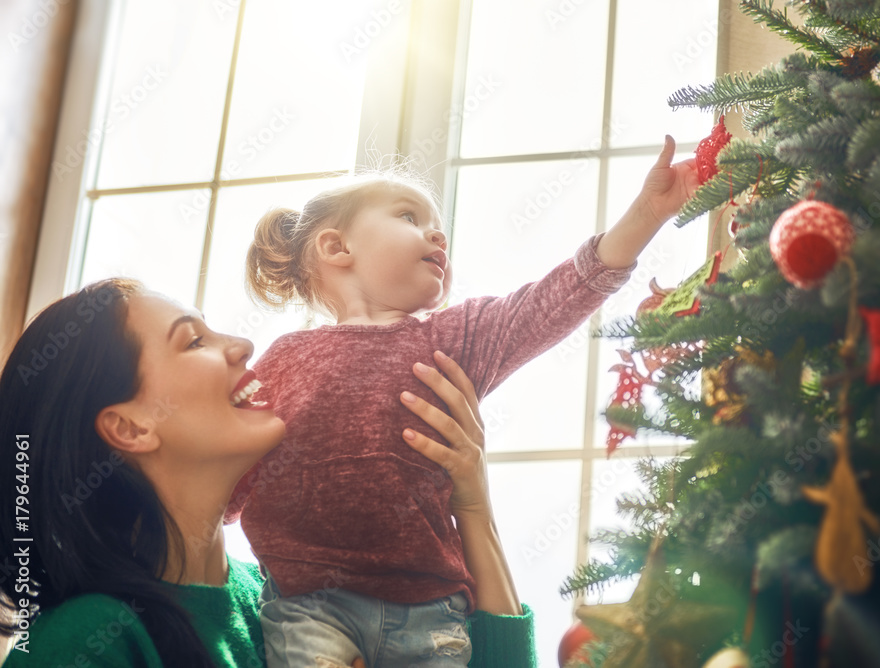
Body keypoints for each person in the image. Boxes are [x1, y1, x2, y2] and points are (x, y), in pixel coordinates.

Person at [234, 136, 699, 666]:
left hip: (430, 613)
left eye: (439, 228)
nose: (436, 233)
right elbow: (225, 474)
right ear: (337, 248)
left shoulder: (454, 336)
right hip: (307, 607)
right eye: (409, 216)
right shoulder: (281, 360)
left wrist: (648, 212)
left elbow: (556, 297)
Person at [0, 278, 537, 667]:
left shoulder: (288, 597)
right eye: (194, 341)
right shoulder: (83, 642)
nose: (242, 346)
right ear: (132, 428)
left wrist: (471, 508)